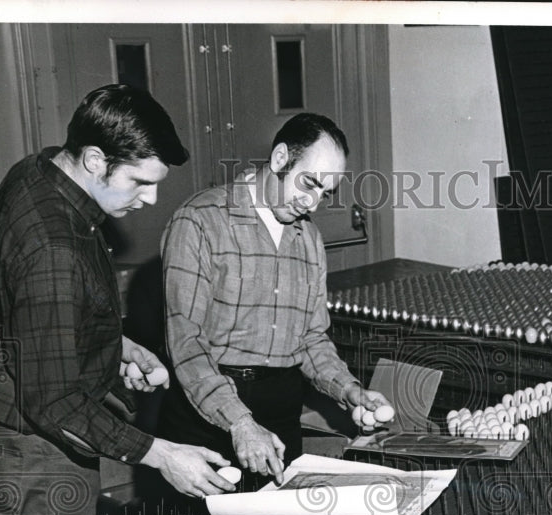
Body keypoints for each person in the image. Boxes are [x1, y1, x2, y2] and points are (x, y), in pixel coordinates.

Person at [0, 84, 235, 515]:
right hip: (38, 455)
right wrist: (164, 455)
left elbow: (34, 315)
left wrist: (114, 347)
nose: (151, 199)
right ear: (94, 159)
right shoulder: (53, 244)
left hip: (18, 433)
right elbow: (56, 403)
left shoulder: (36, 170)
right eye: (139, 182)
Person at [158, 113, 391, 488]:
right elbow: (186, 342)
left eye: (324, 193)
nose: (313, 204)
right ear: (281, 158)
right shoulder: (200, 221)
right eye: (310, 184)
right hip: (207, 411)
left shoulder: (309, 239)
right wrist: (239, 421)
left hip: (281, 411)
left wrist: (349, 391)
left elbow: (311, 338)